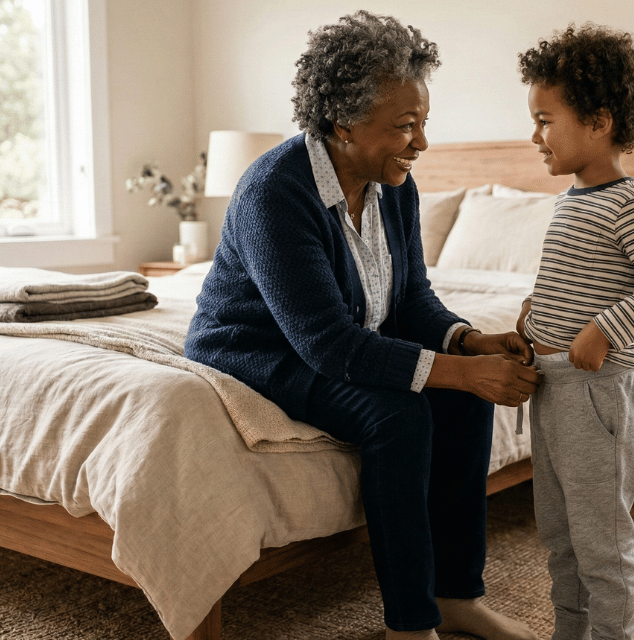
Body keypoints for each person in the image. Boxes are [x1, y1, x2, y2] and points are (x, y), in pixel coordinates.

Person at [185, 11, 540, 640]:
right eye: (406, 127)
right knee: (400, 414)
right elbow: (326, 343)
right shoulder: (276, 190)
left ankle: (456, 596)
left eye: (423, 123)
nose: (421, 143)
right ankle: (410, 625)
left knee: (463, 403)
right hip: (256, 350)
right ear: (342, 123)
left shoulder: (396, 185)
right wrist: (461, 371)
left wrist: (468, 342)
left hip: (335, 341)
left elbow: (411, 302)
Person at [514, 24, 634, 640]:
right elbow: (576, 275)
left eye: (545, 120)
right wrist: (536, 315)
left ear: (598, 120)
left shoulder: (629, 203)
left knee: (601, 542)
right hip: (550, 387)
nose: (535, 136)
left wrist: (604, 330)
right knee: (559, 534)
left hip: (596, 395)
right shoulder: (569, 201)